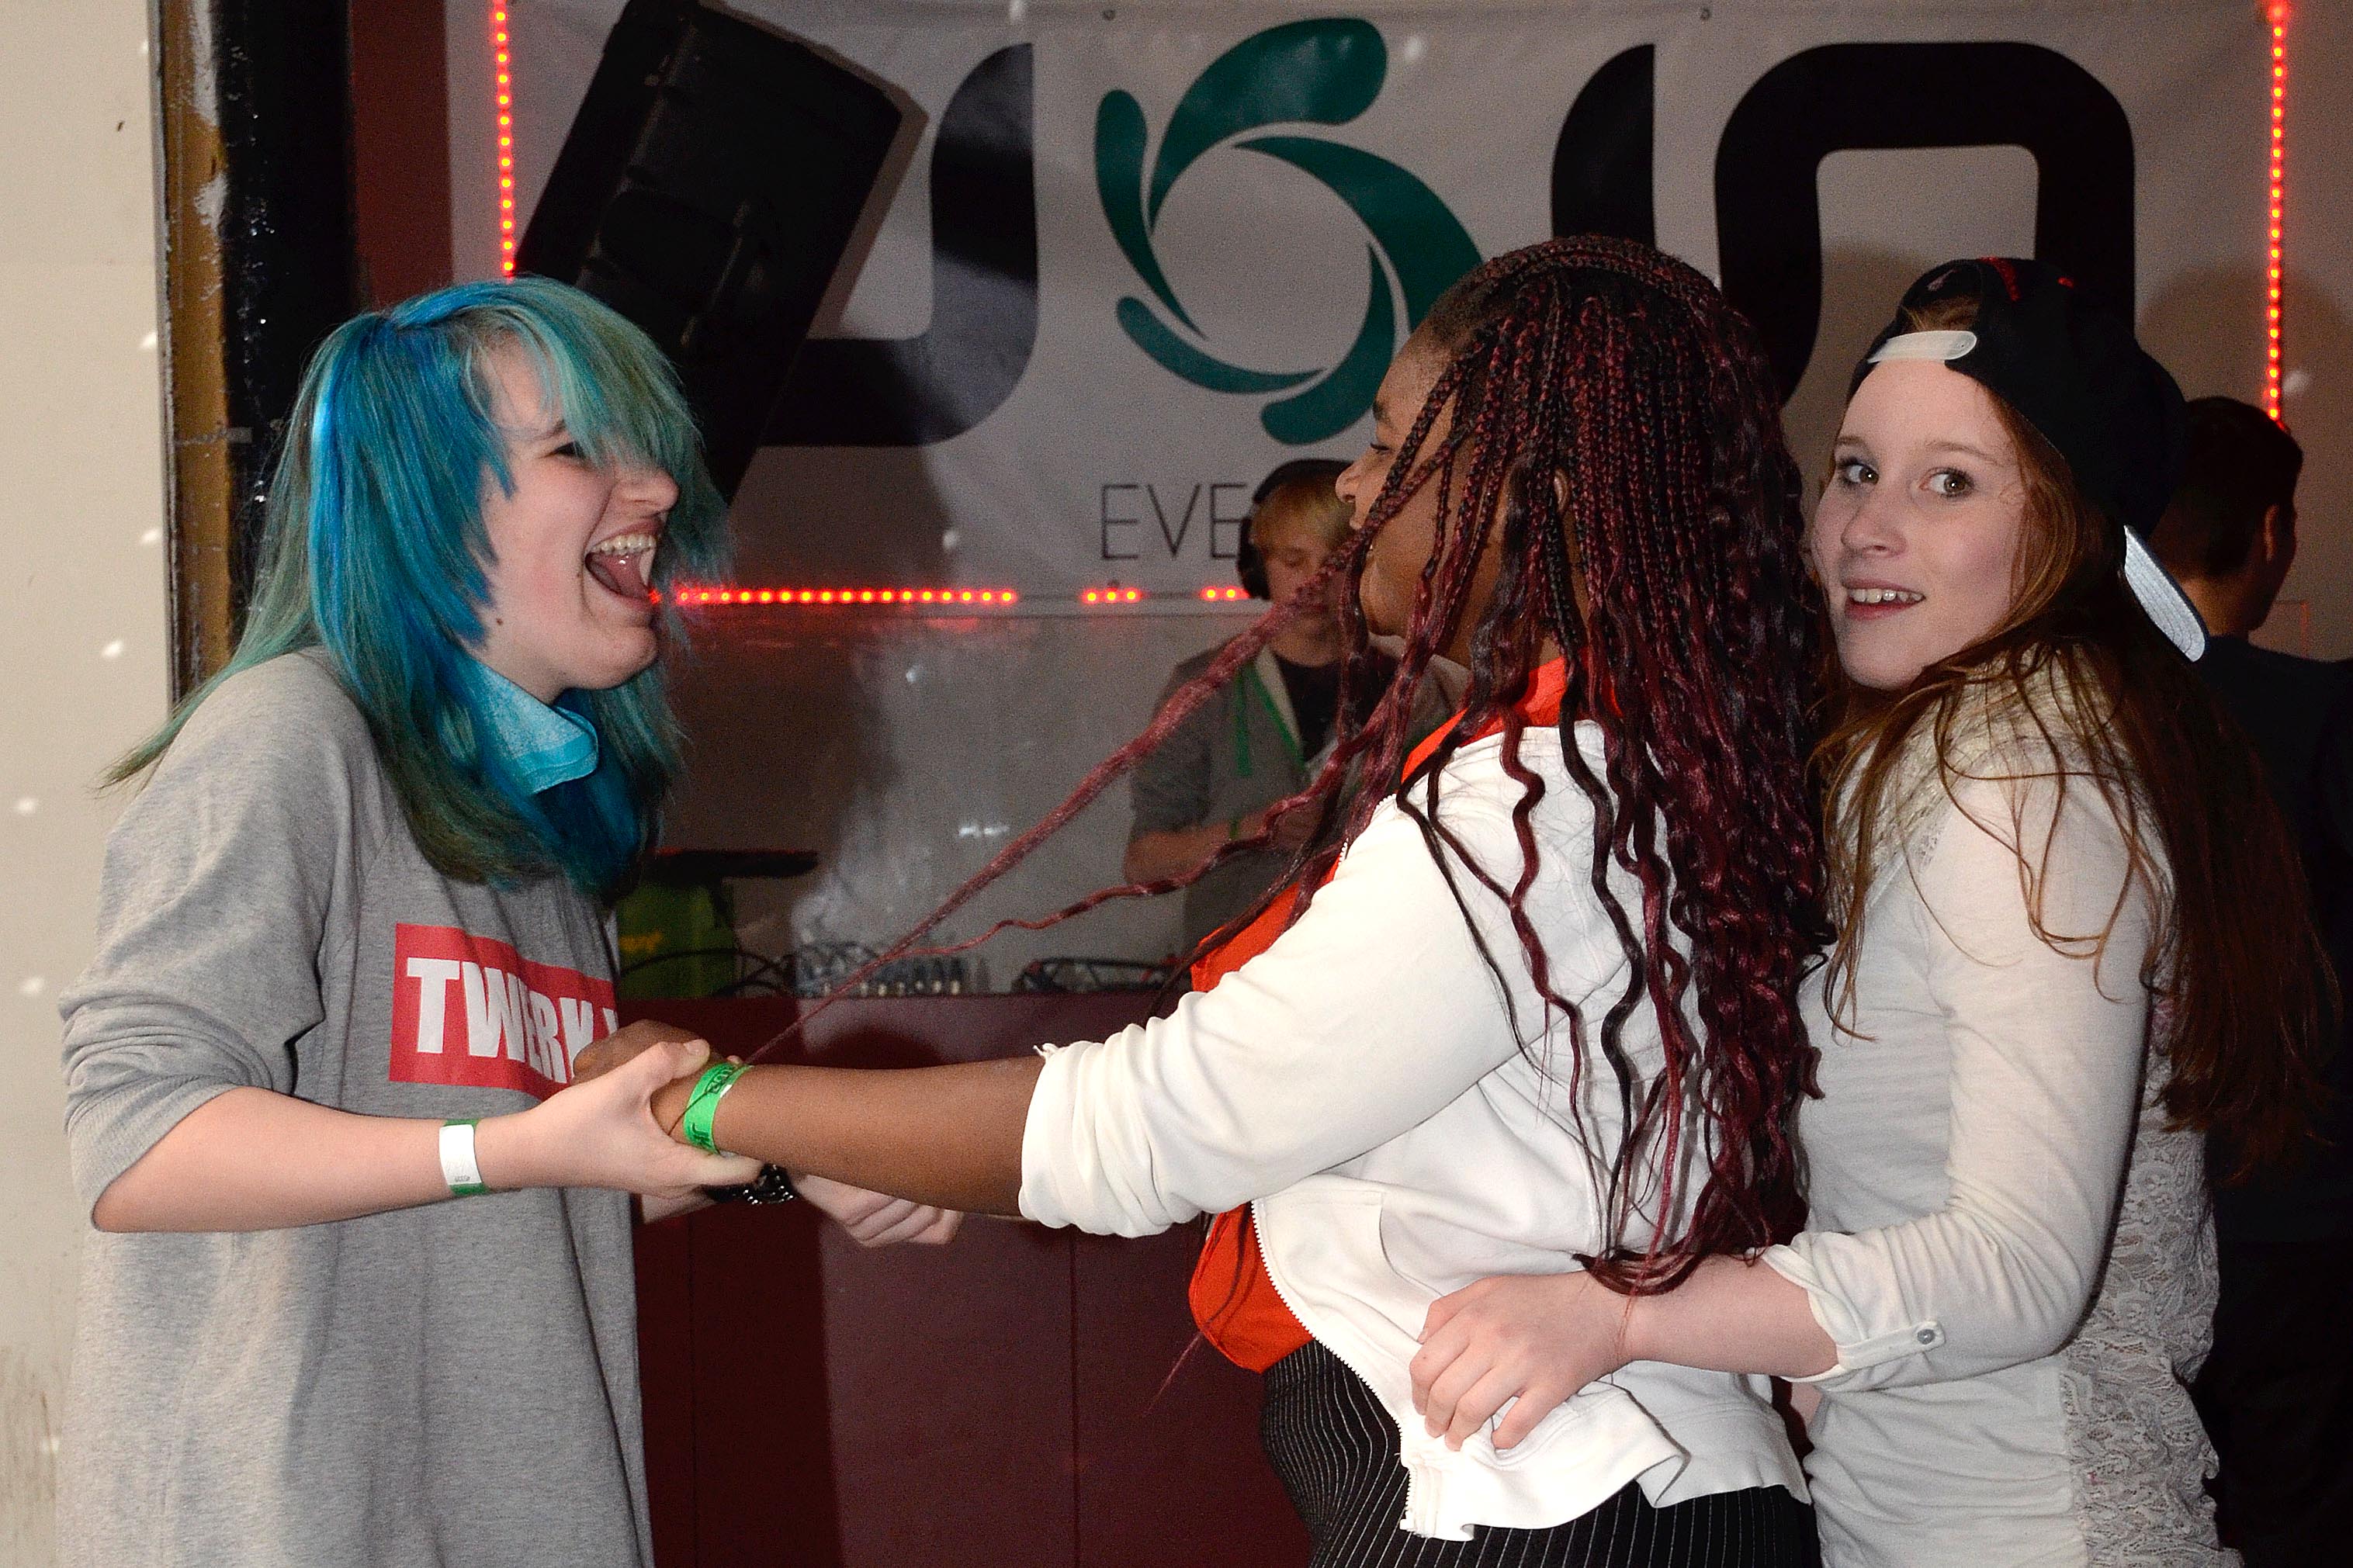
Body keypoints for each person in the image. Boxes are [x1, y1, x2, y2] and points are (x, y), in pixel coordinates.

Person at [587, 237, 1831, 1565]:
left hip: (1549, 1512)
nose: (1352, 485)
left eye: (1389, 442)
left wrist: (701, 1101)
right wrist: (832, 1147)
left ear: (1536, 495)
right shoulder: (1632, 772)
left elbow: (1153, 1128)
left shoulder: (1537, 806)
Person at [1406, 260, 2327, 1566]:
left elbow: (2015, 1268)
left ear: (2068, 531)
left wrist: (1617, 1315)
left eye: (1949, 483)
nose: (1865, 528)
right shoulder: (1944, 754)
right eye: (1854, 470)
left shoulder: (2021, 786)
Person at [56, 278, 955, 1568]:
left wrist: (786, 1155)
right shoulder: (285, 737)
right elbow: (133, 1142)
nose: (656, 488)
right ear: (421, 504)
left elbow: (531, 1194)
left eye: (648, 447)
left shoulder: (538, 821)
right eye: (580, 449)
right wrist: (511, 1147)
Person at [2150, 396, 2353, 1563]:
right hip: (2293, 1208)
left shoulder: (2070, 708)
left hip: (2117, 1211)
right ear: (2270, 532)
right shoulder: (2318, 718)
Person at [1125, 459, 1357, 950]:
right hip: (1236, 971)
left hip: (1364, 963)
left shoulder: (1407, 687)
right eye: (1293, 561)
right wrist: (1250, 830)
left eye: (1336, 562)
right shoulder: (1203, 688)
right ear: (1260, 567)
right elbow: (1144, 863)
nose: (1315, 581)